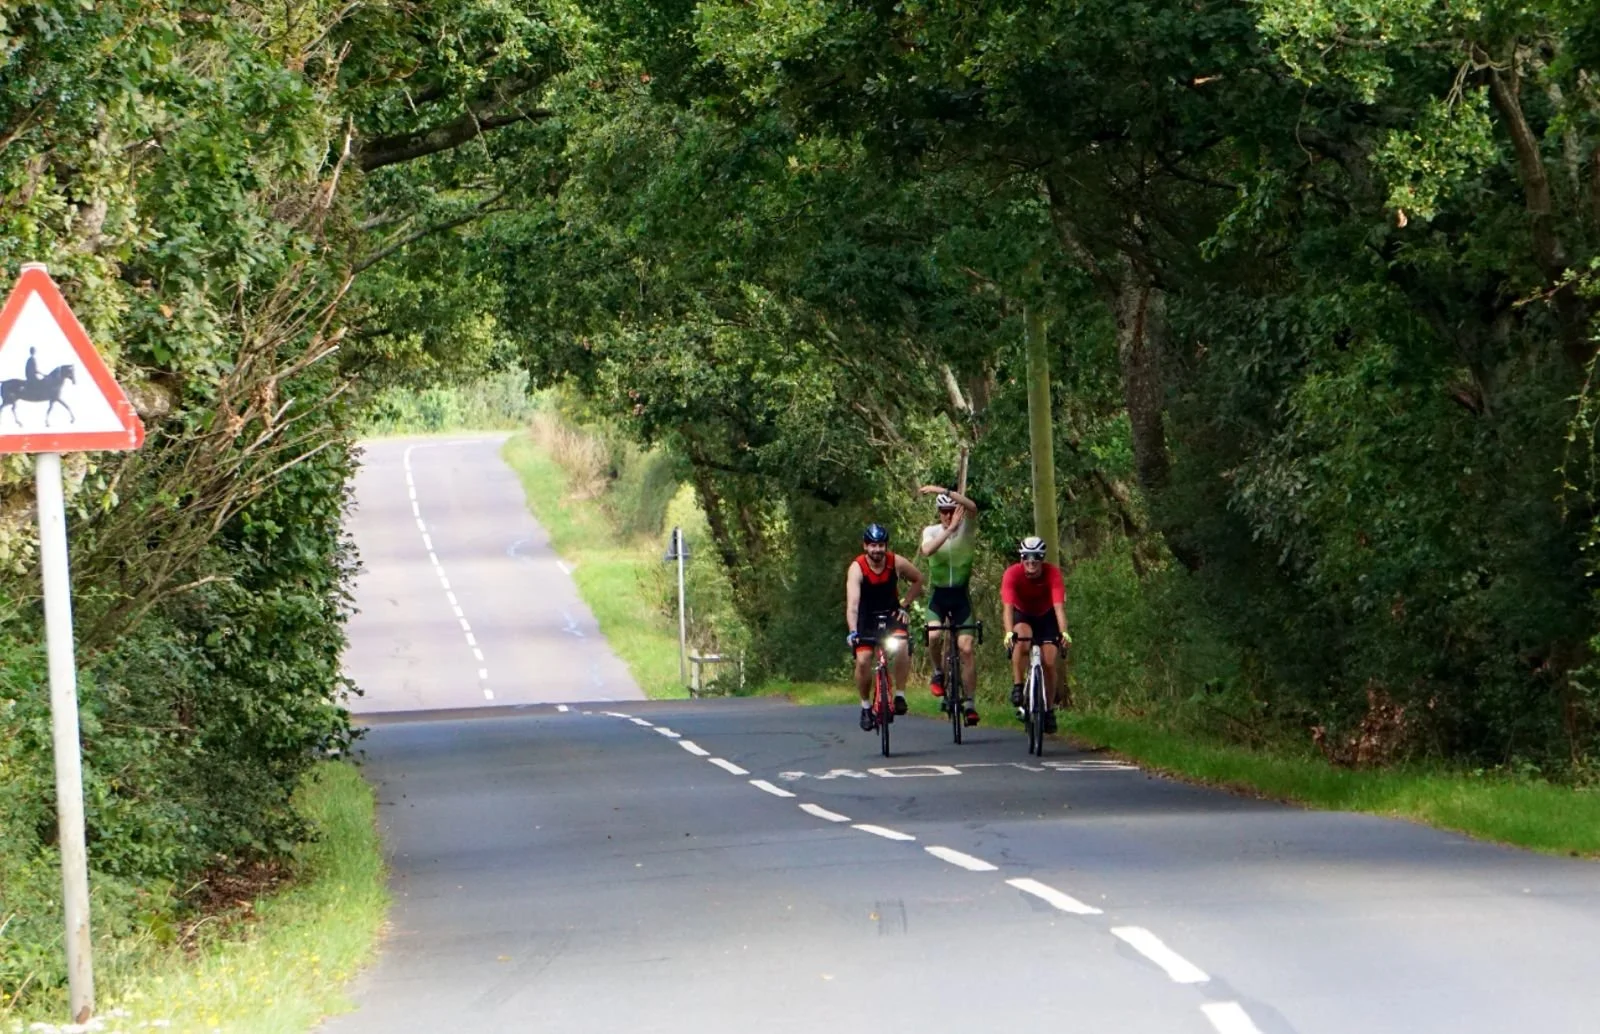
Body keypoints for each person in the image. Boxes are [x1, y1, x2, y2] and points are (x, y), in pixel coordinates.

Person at [845, 523, 924, 732]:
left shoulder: (895, 562)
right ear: (865, 546)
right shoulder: (857, 568)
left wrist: (905, 606)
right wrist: (853, 631)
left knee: (902, 646)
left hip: (891, 614)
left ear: (885, 546)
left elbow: (918, 579)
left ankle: (899, 695)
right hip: (866, 619)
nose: (877, 550)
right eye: (873, 546)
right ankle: (865, 707)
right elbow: (852, 605)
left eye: (881, 545)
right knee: (863, 660)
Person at [918, 484, 980, 726]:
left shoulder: (966, 529)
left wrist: (941, 490)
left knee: (965, 648)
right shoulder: (932, 531)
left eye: (951, 510)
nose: (946, 515)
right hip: (939, 597)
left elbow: (973, 506)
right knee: (934, 636)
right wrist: (948, 530)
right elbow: (926, 551)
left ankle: (971, 704)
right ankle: (937, 671)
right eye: (942, 511)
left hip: (961, 597)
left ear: (958, 510)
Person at [1000, 535, 1071, 734]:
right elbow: (1007, 608)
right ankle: (1017, 685)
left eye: (1036, 558)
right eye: (1027, 558)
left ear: (1042, 559)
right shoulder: (1012, 574)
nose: (1031, 563)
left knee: (1049, 662)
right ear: (1021, 559)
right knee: (1021, 637)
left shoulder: (1052, 574)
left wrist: (1064, 632)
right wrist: (1008, 633)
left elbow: (1059, 609)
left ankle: (1048, 711)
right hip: (1023, 614)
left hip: (1046, 615)